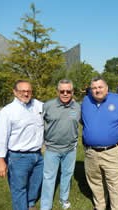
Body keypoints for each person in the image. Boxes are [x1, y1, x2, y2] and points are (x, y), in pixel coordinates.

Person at [0, 80, 44, 210]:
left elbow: (54, 108)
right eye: (22, 91)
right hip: (18, 157)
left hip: (38, 155)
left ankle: (30, 204)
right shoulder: (7, 112)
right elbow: (0, 137)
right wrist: (0, 160)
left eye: (29, 91)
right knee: (19, 188)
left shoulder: (38, 106)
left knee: (35, 184)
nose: (26, 94)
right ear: (15, 92)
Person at [81, 77, 118, 210]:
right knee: (96, 183)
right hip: (91, 153)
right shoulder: (86, 101)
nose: (97, 90)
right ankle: (99, 206)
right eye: (94, 88)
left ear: (107, 88)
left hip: (112, 152)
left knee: (115, 185)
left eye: (100, 87)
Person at [40, 79, 81, 210]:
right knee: (49, 178)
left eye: (68, 91)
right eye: (62, 91)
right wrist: (41, 144)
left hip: (70, 149)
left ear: (72, 92)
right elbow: (38, 125)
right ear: (57, 91)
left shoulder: (77, 106)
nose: (65, 94)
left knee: (67, 176)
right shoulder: (47, 106)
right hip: (52, 149)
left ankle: (64, 199)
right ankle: (46, 206)